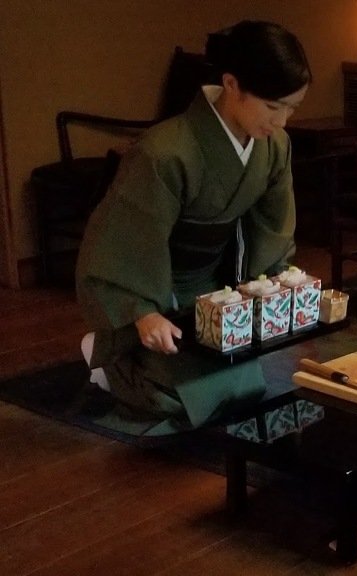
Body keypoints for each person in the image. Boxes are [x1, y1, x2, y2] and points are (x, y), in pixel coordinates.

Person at [76, 20, 311, 435]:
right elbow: (130, 236)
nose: (282, 122)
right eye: (273, 107)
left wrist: (278, 285)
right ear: (231, 84)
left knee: (245, 387)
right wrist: (142, 312)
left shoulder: (275, 147)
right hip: (159, 286)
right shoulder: (165, 151)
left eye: (291, 108)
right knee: (177, 396)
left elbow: (272, 226)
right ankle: (110, 355)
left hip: (217, 287)